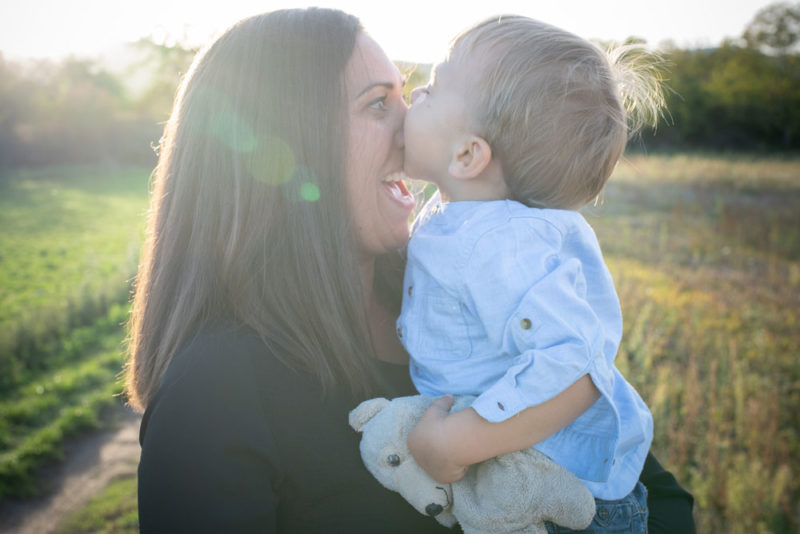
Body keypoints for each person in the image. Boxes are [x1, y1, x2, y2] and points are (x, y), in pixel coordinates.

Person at [124, 7, 693, 533]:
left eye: (411, 94)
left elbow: (655, 495)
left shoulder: (449, 295)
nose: (408, 122)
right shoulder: (215, 398)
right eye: (378, 103)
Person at [393, 15, 687, 533]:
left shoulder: (502, 243)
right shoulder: (460, 217)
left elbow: (576, 369)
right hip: (524, 476)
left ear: (467, 154)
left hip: (568, 501)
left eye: (433, 89)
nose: (413, 94)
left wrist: (457, 441)